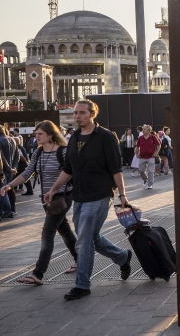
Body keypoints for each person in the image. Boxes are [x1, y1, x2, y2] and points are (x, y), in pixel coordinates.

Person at [45, 99, 132, 300]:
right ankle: (122, 256)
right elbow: (68, 169)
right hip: (80, 195)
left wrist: (122, 194)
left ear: (92, 114)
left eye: (82, 113)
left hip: (100, 194)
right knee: (90, 237)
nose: (77, 116)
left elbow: (116, 169)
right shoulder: (74, 137)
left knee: (83, 241)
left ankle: (82, 285)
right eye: (75, 113)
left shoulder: (105, 137)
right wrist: (53, 189)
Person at [2, 121, 78, 284]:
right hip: (46, 199)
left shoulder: (63, 152)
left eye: (40, 134)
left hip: (62, 197)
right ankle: (80, 259)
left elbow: (71, 172)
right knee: (64, 230)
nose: (36, 136)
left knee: (47, 233)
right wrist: (9, 185)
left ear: (50, 135)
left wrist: (55, 189)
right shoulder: (39, 152)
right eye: (36, 134)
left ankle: (38, 273)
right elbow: (28, 173)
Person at [135, 125, 160, 189]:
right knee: (141, 170)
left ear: (149, 131)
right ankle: (145, 179)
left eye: (145, 129)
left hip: (151, 157)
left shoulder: (153, 137)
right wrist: (136, 154)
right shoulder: (140, 138)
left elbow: (158, 145)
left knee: (151, 171)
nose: (143, 130)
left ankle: (150, 184)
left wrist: (156, 153)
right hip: (142, 157)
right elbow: (137, 146)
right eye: (143, 129)